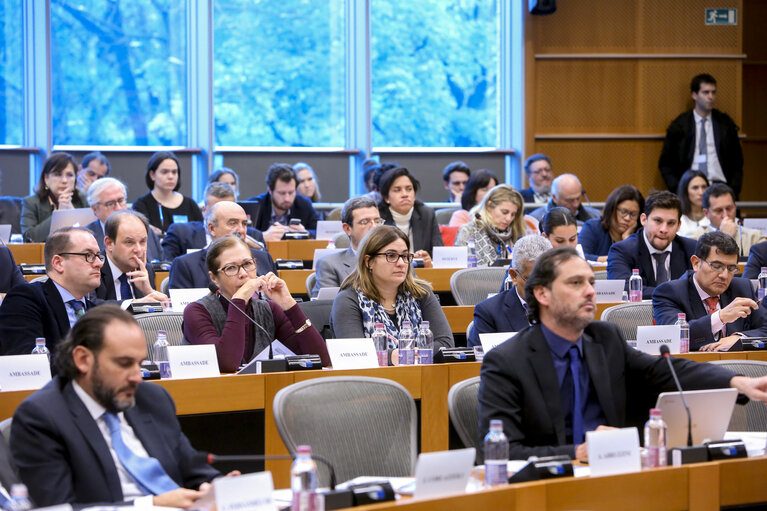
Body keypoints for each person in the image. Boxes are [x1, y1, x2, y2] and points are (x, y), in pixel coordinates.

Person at [477, 246, 767, 461]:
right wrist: (577, 452)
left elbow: (663, 370)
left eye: (591, 282)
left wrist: (738, 383)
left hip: (614, 473)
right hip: (548, 487)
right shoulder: (506, 361)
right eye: (576, 283)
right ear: (542, 294)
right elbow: (500, 451)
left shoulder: (605, 338)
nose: (590, 291)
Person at [11, 305, 224, 507]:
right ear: (83, 359)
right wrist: (151, 505)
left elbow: (193, 467)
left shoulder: (151, 398)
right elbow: (59, 508)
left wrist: (213, 486)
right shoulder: (42, 417)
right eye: (124, 364)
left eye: (139, 364)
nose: (137, 377)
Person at [183, 236, 330, 372]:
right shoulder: (196, 311)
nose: (243, 274)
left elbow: (320, 359)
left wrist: (289, 305)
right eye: (231, 268)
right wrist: (238, 300)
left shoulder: (269, 309)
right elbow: (227, 364)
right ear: (214, 278)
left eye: (247, 264)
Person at [330, 225, 454, 350]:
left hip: (421, 369)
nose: (401, 263)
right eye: (391, 256)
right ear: (369, 261)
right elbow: (355, 353)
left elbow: (445, 343)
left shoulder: (420, 292)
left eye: (405, 256)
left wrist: (411, 355)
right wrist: (395, 357)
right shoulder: (348, 299)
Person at [653, 231, 767, 352]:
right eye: (716, 266)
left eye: (731, 268)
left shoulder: (742, 287)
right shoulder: (669, 292)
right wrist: (720, 317)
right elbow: (673, 336)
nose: (724, 275)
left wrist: (739, 338)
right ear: (696, 263)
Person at [0, 227, 103, 356]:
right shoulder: (25, 300)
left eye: (98, 256)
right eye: (88, 255)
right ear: (58, 263)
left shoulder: (95, 311)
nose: (99, 263)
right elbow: (29, 365)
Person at [659, 73, 743, 199]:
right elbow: (665, 163)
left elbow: (737, 161)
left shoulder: (725, 124)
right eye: (706, 92)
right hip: (689, 189)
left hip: (720, 187)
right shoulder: (680, 126)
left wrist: (734, 189)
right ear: (694, 95)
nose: (711, 97)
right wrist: (678, 189)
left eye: (713, 92)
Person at [607, 191, 696, 299]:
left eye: (671, 223)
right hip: (638, 315)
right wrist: (673, 293)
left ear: (678, 226)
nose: (664, 229)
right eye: (658, 221)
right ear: (644, 220)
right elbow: (622, 288)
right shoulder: (622, 250)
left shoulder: (691, 248)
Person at [467, 235, 552, 348]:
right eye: (533, 280)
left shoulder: (568, 307)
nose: (542, 288)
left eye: (548, 278)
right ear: (514, 276)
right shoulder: (489, 313)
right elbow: (478, 362)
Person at [168, 202, 276, 289]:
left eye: (244, 224)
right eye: (233, 223)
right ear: (212, 229)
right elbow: (180, 314)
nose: (241, 230)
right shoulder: (185, 265)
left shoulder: (263, 258)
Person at [162, 182, 265, 260]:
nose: (224, 214)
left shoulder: (254, 237)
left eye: (228, 208)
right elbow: (167, 268)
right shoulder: (181, 233)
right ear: (204, 210)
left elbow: (265, 266)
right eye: (217, 209)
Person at [312, 197, 382, 297]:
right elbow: (327, 308)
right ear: (347, 229)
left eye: (377, 221)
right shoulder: (330, 265)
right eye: (364, 222)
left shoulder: (399, 259)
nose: (374, 227)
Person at [91, 210, 166, 301]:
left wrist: (149, 291)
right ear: (109, 243)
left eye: (142, 241)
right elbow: (92, 306)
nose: (138, 250)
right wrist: (135, 303)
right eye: (129, 242)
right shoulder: (94, 268)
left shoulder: (146, 270)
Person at [86, 177, 163, 262]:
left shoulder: (146, 230)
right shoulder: (87, 237)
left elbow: (162, 266)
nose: (118, 208)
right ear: (95, 209)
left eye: (120, 200)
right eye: (110, 204)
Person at [378, 167, 443, 267]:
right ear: (386, 198)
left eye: (409, 189)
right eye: (397, 190)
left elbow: (439, 254)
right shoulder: (378, 218)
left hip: (420, 274)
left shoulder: (427, 214)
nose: (405, 194)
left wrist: (426, 258)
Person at [132, 151, 203, 236]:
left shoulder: (190, 204)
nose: (170, 176)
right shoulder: (141, 205)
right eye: (165, 172)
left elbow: (201, 235)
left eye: (174, 172)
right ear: (152, 175)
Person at [22, 152, 88, 242]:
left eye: (69, 175)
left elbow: (92, 235)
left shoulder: (84, 199)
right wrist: (59, 214)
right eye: (58, 174)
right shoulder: (31, 202)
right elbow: (29, 238)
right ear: (46, 178)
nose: (64, 180)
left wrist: (73, 213)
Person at [685, 183, 765, 256]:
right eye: (719, 210)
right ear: (706, 213)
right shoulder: (694, 238)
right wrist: (724, 237)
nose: (725, 215)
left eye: (729, 208)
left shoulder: (754, 237)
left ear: (735, 207)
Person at [454, 185, 526, 266]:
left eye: (513, 214)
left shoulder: (518, 235)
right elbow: (459, 269)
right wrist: (491, 265)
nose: (509, 218)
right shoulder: (468, 231)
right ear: (489, 206)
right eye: (504, 212)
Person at [247, 163, 318, 238]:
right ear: (270, 190)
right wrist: (263, 236)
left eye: (291, 193)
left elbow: (319, 231)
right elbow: (243, 232)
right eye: (282, 193)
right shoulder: (255, 205)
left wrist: (306, 233)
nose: (287, 198)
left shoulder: (304, 204)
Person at [578, 185, 644, 262]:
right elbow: (580, 257)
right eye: (623, 212)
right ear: (611, 209)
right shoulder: (592, 227)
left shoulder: (641, 235)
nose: (627, 218)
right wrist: (617, 258)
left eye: (633, 214)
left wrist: (627, 241)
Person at [529, 174, 600, 225]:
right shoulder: (535, 220)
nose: (576, 204)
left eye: (578, 198)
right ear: (554, 197)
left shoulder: (596, 217)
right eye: (570, 200)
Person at [677, 170, 710, 237]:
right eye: (695, 188)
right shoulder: (677, 217)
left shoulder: (714, 216)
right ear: (685, 191)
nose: (701, 192)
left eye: (704, 187)